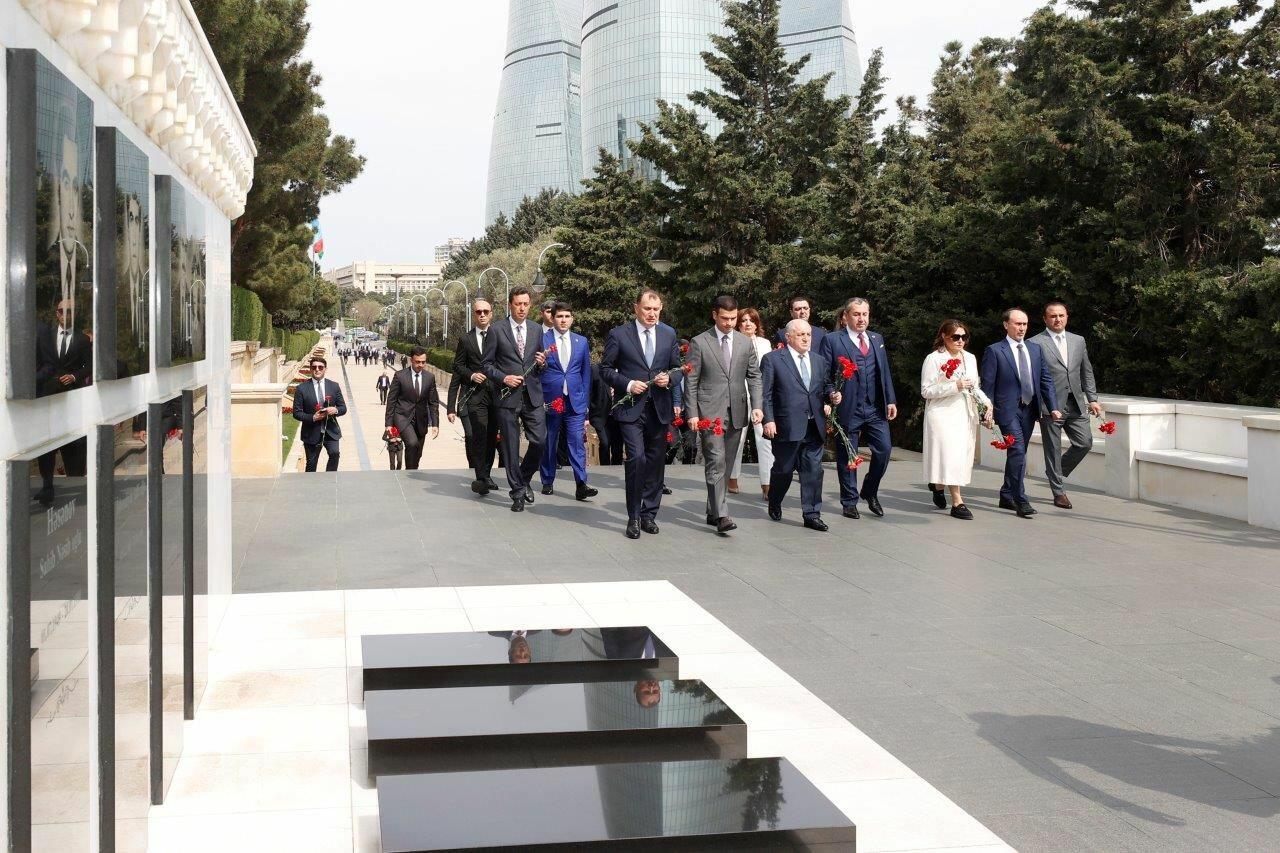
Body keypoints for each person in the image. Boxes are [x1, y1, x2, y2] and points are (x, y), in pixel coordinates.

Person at [600, 289, 682, 539]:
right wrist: (627, 384)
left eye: (656, 309)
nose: (651, 314)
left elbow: (677, 368)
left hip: (659, 408)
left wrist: (669, 379)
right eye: (647, 308)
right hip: (630, 408)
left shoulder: (668, 333)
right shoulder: (619, 334)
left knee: (656, 462)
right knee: (637, 458)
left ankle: (649, 515)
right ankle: (633, 516)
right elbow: (605, 369)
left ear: (661, 309)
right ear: (636, 308)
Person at [683, 296, 763, 534]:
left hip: (738, 410)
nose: (729, 323)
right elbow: (691, 381)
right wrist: (692, 413)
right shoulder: (699, 342)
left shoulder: (745, 343)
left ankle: (713, 509)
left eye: (733, 318)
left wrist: (757, 405)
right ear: (714, 315)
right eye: (725, 318)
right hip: (709, 412)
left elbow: (754, 376)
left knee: (726, 463)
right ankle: (722, 515)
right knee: (716, 460)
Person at [819, 297, 898, 519]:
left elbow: (884, 371)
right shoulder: (832, 340)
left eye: (865, 314)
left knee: (884, 450)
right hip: (848, 408)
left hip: (875, 408)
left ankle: (869, 490)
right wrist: (830, 393)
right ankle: (849, 501)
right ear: (846, 317)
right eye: (856, 314)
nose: (861, 319)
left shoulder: (876, 339)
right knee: (847, 456)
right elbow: (824, 375)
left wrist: (890, 400)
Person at [979, 308, 1061, 518]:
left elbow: (1045, 379)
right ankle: (1020, 499)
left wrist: (1053, 406)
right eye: (1017, 324)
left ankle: (1006, 495)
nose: (1022, 328)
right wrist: (985, 412)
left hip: (1030, 409)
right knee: (1016, 450)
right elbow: (987, 385)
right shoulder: (995, 351)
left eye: (1024, 324)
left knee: (1019, 452)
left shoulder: (1035, 349)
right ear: (1006, 325)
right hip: (1007, 410)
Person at [762, 320, 839, 532]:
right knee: (784, 470)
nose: (806, 338)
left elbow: (826, 386)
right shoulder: (772, 360)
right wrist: (768, 419)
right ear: (788, 337)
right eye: (800, 335)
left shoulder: (819, 360)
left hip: (814, 425)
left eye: (808, 334)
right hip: (786, 425)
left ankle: (812, 514)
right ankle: (775, 500)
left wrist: (832, 394)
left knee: (813, 470)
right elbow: (765, 394)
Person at [482, 286, 548, 512]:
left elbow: (540, 365)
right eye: (518, 304)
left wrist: (542, 363)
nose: (522, 308)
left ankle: (524, 478)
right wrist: (504, 378)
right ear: (510, 305)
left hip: (532, 395)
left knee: (540, 441)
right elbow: (486, 365)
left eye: (526, 304)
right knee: (510, 447)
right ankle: (518, 492)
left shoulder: (537, 329)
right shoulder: (496, 330)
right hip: (507, 397)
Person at [1030, 301, 1101, 509]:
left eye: (1061, 315)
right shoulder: (1035, 343)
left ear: (1067, 317)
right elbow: (1032, 378)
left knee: (1084, 443)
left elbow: (1086, 371)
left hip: (1076, 403)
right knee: (1052, 449)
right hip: (1050, 405)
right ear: (1045, 319)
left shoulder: (1078, 340)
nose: (1057, 319)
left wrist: (1093, 399)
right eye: (1053, 316)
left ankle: (1055, 472)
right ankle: (1059, 492)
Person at [922, 320, 991, 519]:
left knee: (960, 457)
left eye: (964, 337)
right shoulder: (934, 359)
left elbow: (974, 387)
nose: (961, 341)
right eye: (956, 337)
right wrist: (955, 386)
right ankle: (957, 501)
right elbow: (926, 391)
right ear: (944, 336)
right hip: (942, 415)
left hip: (964, 414)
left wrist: (987, 404)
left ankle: (938, 486)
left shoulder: (970, 358)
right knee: (950, 456)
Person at [539, 302, 597, 500]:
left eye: (567, 316)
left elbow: (585, 373)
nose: (563, 320)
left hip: (575, 401)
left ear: (572, 319)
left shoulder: (581, 341)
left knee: (577, 442)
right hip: (551, 398)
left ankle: (581, 484)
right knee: (550, 441)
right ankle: (547, 480)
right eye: (559, 316)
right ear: (552, 318)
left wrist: (585, 402)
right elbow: (536, 370)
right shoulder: (542, 339)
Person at [447, 299, 500, 495]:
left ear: (491, 313)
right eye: (478, 312)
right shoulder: (466, 339)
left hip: (495, 395)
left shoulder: (499, 335)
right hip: (474, 397)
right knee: (478, 436)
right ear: (474, 315)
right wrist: (471, 375)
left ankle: (486, 474)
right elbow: (458, 366)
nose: (482, 315)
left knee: (491, 438)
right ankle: (481, 477)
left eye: (486, 311)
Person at [729, 308, 774, 499]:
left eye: (752, 320)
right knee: (737, 439)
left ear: (757, 324)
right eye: (744, 320)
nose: (748, 324)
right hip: (738, 396)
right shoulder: (732, 342)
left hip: (760, 397)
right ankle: (732, 477)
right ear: (738, 324)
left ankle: (767, 483)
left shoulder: (765, 344)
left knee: (765, 440)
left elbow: (769, 372)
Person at [385, 347, 440, 470]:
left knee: (417, 453)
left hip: (421, 419)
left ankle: (412, 472)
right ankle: (409, 474)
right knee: (412, 443)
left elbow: (433, 402)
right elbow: (391, 400)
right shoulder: (400, 376)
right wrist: (388, 423)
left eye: (423, 362)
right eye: (417, 362)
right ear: (411, 360)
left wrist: (435, 424)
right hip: (402, 417)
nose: (421, 365)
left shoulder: (430, 377)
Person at [292, 356, 347, 471]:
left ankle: (329, 478)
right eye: (314, 367)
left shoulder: (334, 386)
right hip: (311, 432)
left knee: (335, 454)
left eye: (320, 367)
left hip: (331, 431)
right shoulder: (301, 389)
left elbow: (343, 408)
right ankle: (311, 482)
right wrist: (313, 417)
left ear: (325, 369)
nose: (317, 369)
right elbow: (297, 413)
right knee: (311, 464)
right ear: (311, 369)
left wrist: (335, 410)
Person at [588, 361, 621, 465]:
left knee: (617, 447)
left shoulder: (623, 369)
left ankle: (617, 468)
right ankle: (604, 468)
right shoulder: (595, 370)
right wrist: (586, 415)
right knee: (605, 443)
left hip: (618, 416)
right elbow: (588, 392)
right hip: (600, 415)